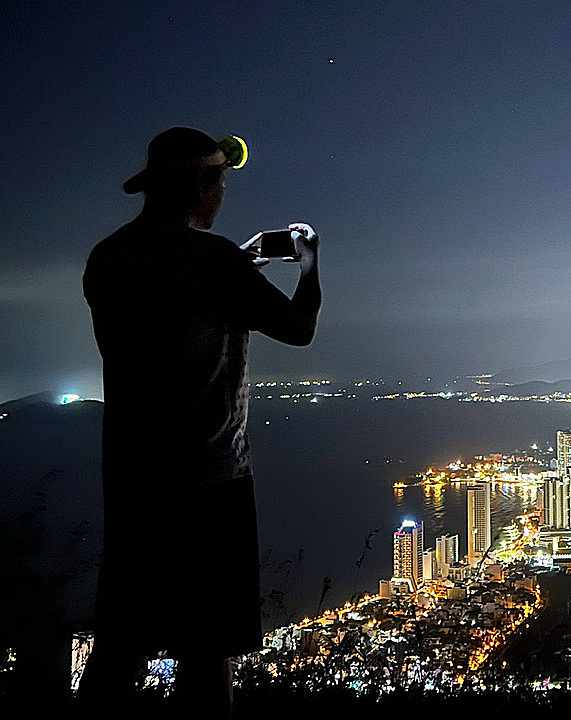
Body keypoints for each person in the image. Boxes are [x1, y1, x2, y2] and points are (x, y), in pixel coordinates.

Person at [79, 127, 321, 715]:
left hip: (133, 474)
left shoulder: (108, 257)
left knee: (121, 642)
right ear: (204, 185)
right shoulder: (215, 262)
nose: (224, 197)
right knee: (205, 648)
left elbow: (169, 309)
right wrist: (309, 264)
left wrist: (234, 266)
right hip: (210, 478)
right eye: (221, 181)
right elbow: (299, 328)